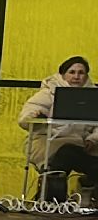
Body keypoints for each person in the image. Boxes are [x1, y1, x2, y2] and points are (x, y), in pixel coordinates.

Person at [19, 56, 98, 203]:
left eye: (81, 73)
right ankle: (52, 200)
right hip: (48, 140)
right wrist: (34, 116)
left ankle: (87, 187)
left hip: (83, 144)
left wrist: (93, 139)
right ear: (63, 74)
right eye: (72, 72)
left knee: (81, 156)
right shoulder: (48, 93)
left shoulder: (94, 96)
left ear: (86, 76)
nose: (76, 76)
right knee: (66, 152)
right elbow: (25, 118)